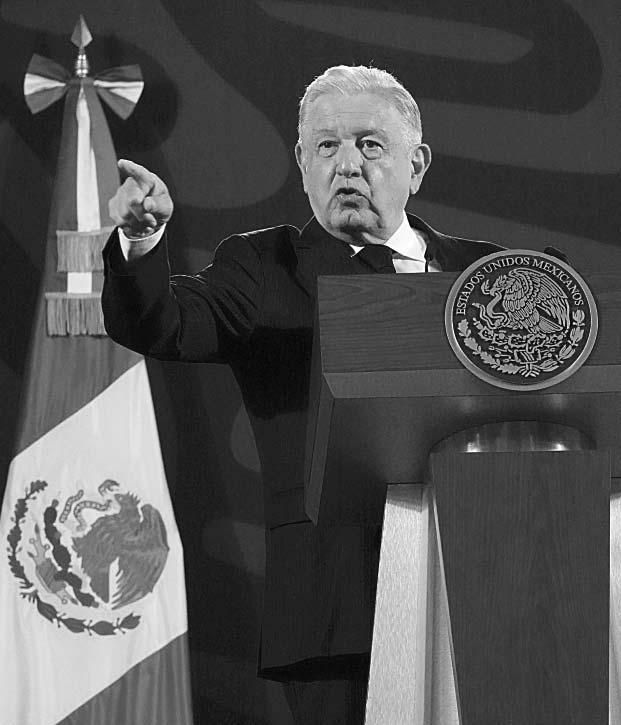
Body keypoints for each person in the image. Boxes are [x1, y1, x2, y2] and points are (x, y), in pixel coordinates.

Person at [102, 65, 502, 724]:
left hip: (488, 593)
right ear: (302, 163)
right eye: (326, 146)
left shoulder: (489, 275)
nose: (347, 164)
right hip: (332, 615)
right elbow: (161, 321)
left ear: (416, 164)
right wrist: (141, 243)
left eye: (369, 144)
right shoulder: (265, 269)